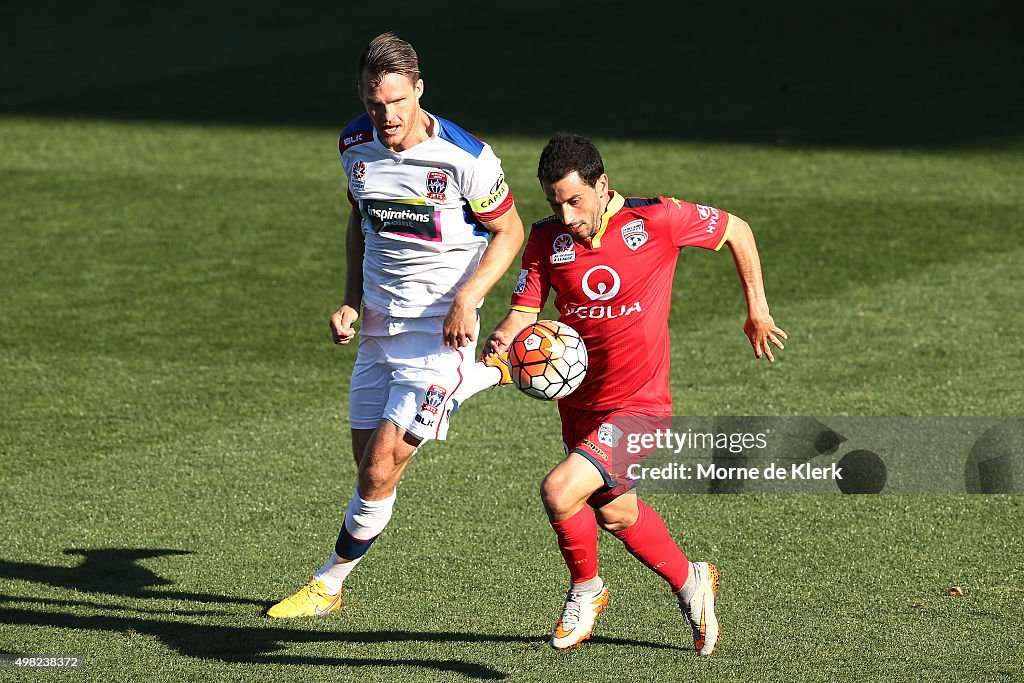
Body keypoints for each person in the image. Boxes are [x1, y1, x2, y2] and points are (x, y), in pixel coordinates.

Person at [483, 133, 787, 654]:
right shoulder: (545, 239)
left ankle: (587, 589)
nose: (567, 215)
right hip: (579, 406)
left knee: (559, 491)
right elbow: (524, 313)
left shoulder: (657, 220)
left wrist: (756, 308)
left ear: (602, 185)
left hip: (641, 406)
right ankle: (691, 580)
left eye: (575, 200)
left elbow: (737, 229)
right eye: (555, 203)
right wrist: (503, 339)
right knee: (614, 513)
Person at [267, 32, 523, 619]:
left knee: (381, 466)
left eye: (397, 102)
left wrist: (470, 297)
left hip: (440, 336)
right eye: (374, 101)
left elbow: (510, 231)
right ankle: (483, 378)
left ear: (419, 91)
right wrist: (351, 300)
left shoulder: (467, 158)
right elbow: (359, 221)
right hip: (379, 333)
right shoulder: (354, 144)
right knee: (368, 472)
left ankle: (327, 584)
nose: (386, 116)